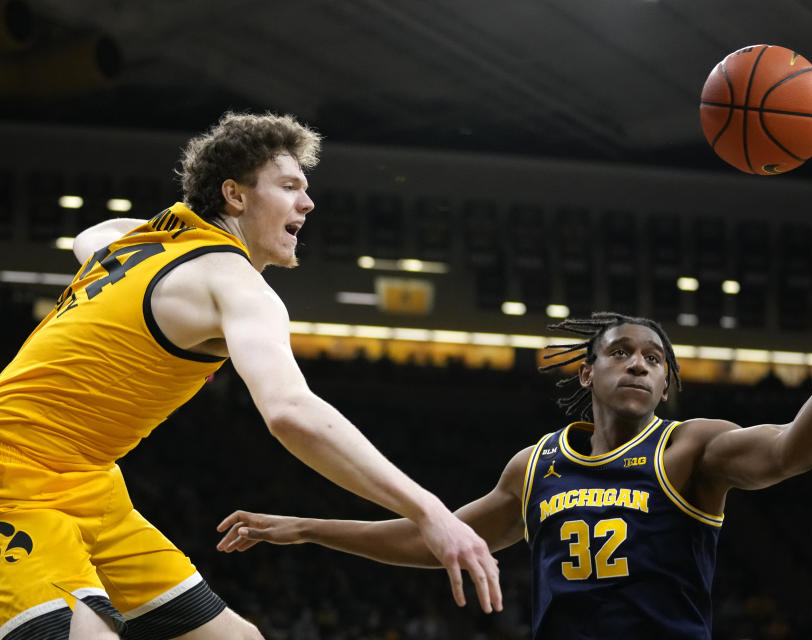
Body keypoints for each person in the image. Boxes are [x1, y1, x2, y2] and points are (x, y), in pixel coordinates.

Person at [0, 112, 501, 640]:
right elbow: (290, 412)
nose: (307, 203)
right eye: (288, 187)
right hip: (12, 474)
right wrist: (429, 511)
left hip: (85, 483)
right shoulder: (239, 287)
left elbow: (91, 235)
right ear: (235, 197)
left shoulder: (141, 244)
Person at [217, 270, 812, 639]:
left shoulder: (691, 447)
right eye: (621, 352)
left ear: (668, 383)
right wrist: (309, 528)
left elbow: (792, 452)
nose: (639, 365)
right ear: (587, 374)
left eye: (654, 359)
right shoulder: (536, 466)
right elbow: (437, 541)